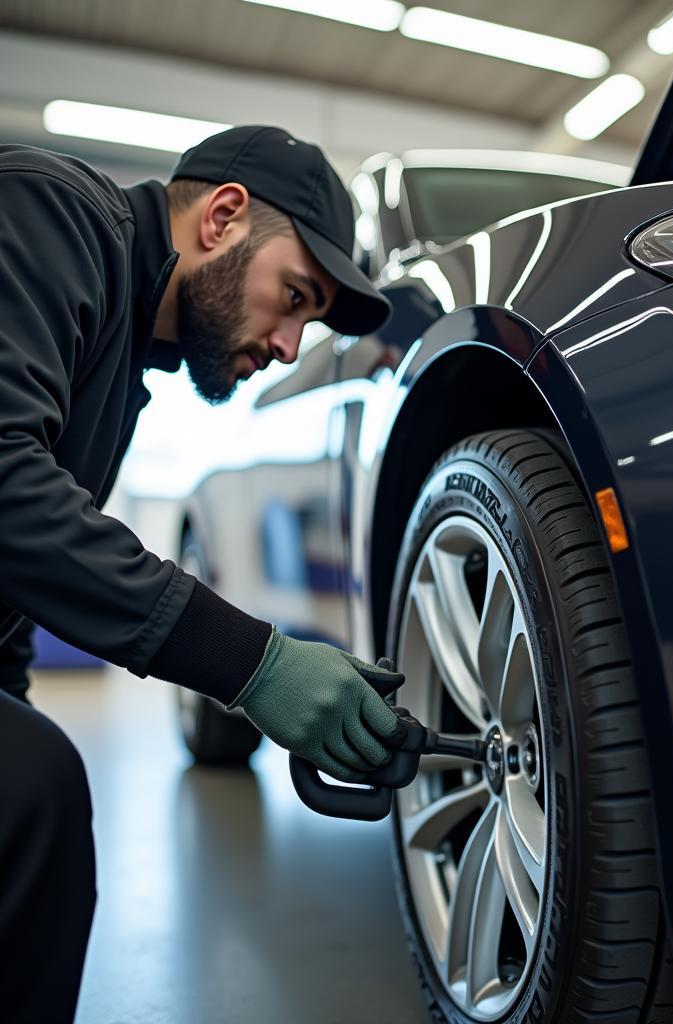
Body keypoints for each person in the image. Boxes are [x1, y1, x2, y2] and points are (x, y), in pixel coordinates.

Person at [0, 125, 407, 1022]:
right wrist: (252, 663)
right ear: (223, 218)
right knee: (34, 788)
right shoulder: (51, 214)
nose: (294, 345)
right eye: (295, 297)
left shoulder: (119, 369)